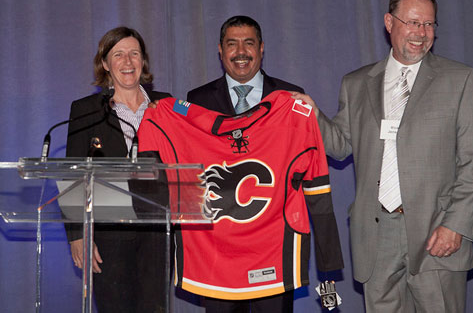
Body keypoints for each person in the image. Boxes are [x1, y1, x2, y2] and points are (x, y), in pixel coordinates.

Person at [292, 0, 473, 312]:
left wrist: (455, 224)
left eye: (429, 25)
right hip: (375, 235)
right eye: (412, 22)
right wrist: (313, 117)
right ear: (389, 22)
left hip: (436, 232)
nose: (421, 33)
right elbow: (340, 145)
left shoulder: (460, 79)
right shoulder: (355, 84)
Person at [185, 16, 340, 312]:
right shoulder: (197, 100)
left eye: (249, 43)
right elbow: (192, 174)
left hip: (273, 249)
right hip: (219, 252)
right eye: (232, 44)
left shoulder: (291, 97)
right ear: (220, 50)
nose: (241, 52)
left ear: (262, 48)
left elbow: (313, 166)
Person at [65, 26, 171, 313]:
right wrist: (77, 234)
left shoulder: (166, 105)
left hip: (158, 233)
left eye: (134, 54)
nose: (128, 62)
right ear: (105, 64)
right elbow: (73, 174)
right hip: (109, 233)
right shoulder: (86, 110)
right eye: (119, 55)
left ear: (143, 61)